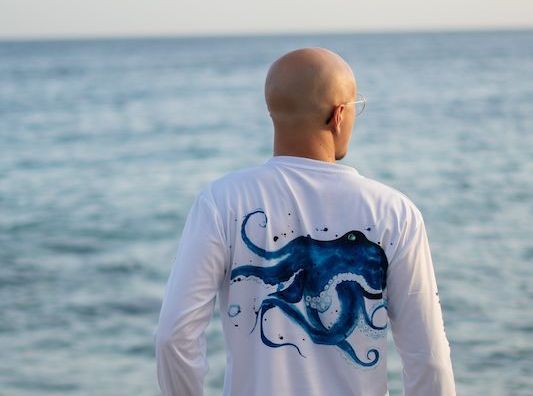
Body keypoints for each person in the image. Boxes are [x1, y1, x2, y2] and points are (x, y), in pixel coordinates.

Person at [154, 47, 456, 396]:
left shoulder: (222, 201)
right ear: (338, 115)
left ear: (273, 112)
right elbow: (429, 358)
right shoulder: (395, 213)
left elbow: (173, 338)